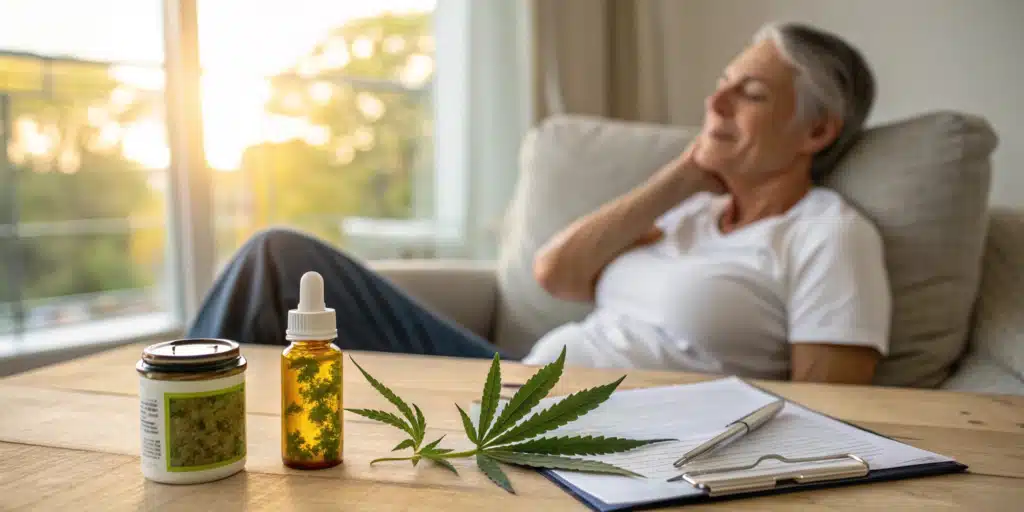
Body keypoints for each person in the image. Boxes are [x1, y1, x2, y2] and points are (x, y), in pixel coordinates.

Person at [188, 21, 890, 385]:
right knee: (276, 259)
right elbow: (557, 274)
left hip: (609, 428)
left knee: (278, 262)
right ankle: (174, 422)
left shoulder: (829, 235)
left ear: (819, 130)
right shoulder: (691, 212)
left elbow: (833, 401)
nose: (716, 101)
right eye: (722, 83)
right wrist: (682, 175)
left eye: (752, 93)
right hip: (518, 382)